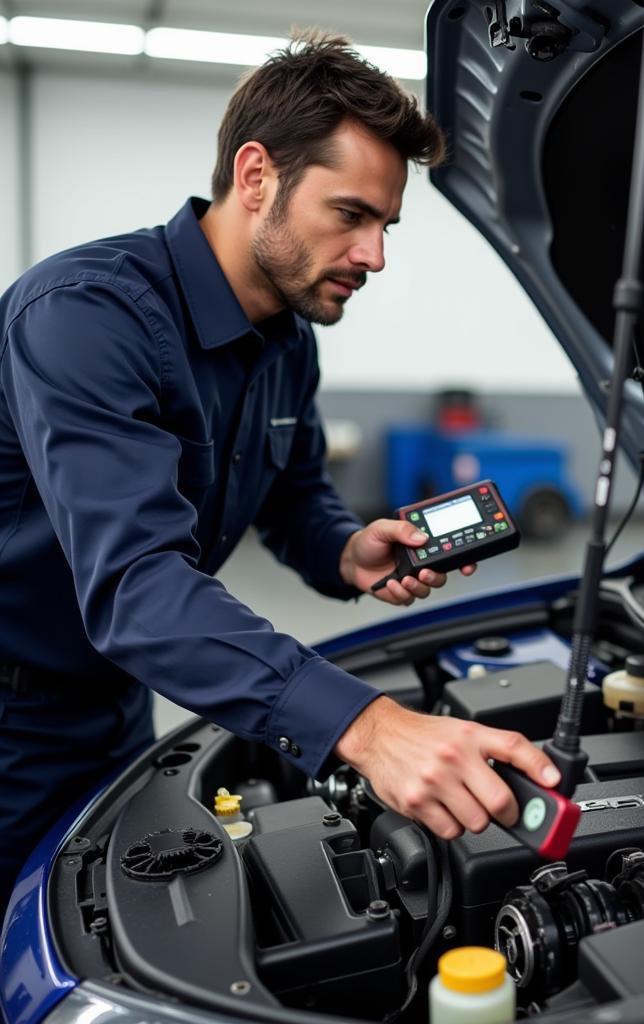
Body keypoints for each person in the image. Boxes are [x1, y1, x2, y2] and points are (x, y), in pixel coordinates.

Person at [0, 33, 560, 917]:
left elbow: (295, 498)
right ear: (256, 175)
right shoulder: (84, 316)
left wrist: (347, 551)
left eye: (385, 225)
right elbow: (139, 588)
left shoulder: (288, 341)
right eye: (350, 215)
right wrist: (365, 726)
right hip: (14, 721)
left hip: (122, 699)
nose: (374, 256)